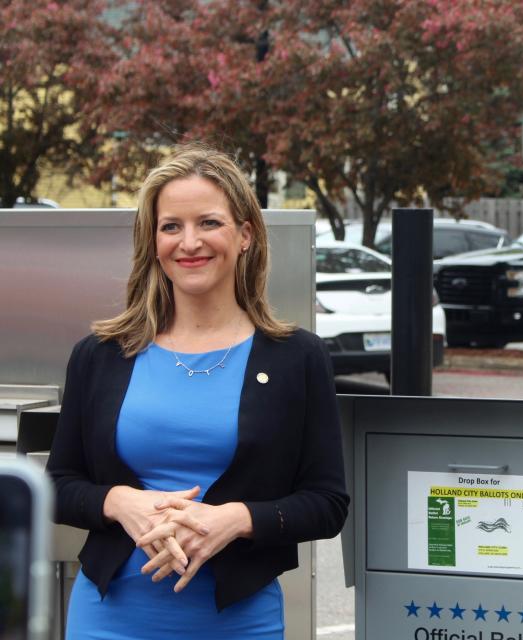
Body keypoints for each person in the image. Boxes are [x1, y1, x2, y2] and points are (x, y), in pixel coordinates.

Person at [47, 144, 350, 638]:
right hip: (108, 620)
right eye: (171, 227)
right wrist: (122, 503)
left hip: (238, 624)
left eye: (208, 223)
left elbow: (326, 502)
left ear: (245, 234)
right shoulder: (100, 354)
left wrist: (235, 519)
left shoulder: (297, 358)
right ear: (154, 241)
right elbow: (58, 485)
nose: (189, 243)